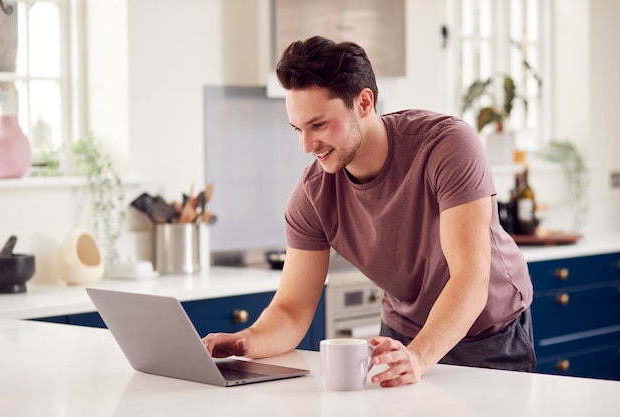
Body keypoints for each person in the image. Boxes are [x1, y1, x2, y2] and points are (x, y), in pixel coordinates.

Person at [202, 35, 536, 387]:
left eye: (318, 125)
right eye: (298, 129)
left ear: (363, 102)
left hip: (486, 333)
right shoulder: (312, 195)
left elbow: (470, 277)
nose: (306, 145)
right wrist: (245, 343)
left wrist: (419, 357)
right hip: (401, 336)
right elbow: (292, 308)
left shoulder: (447, 145)